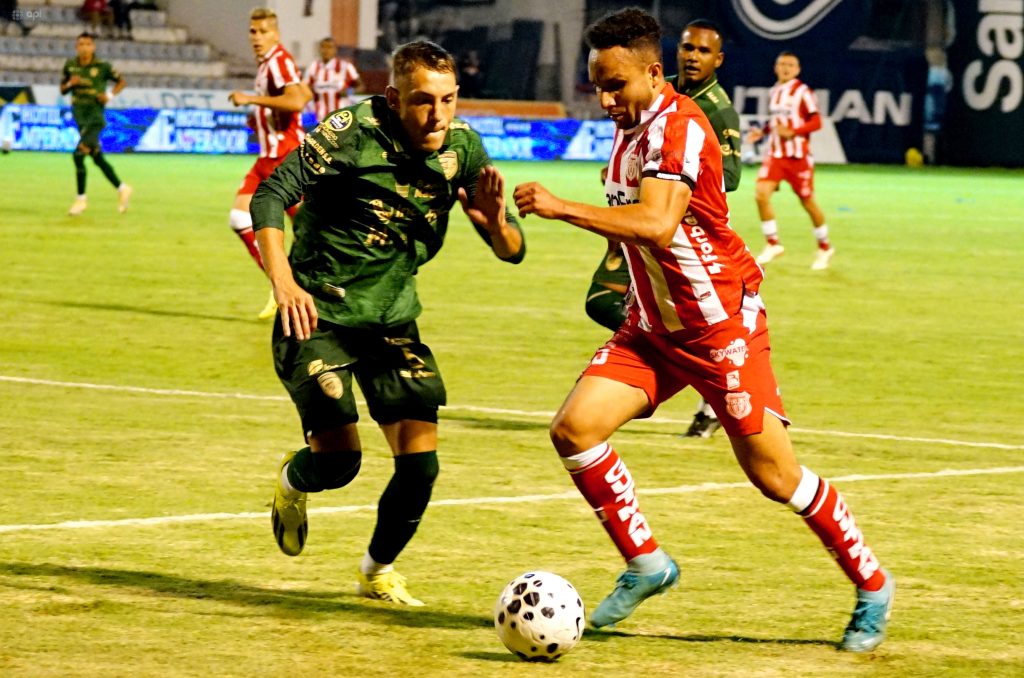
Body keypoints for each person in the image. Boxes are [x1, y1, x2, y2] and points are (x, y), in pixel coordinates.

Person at [512, 8, 893, 652]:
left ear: (652, 73)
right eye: (597, 86)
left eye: (616, 86)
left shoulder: (681, 127)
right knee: (574, 430)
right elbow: (648, 234)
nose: (605, 99)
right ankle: (647, 564)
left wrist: (559, 207)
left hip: (719, 330)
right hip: (653, 331)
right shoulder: (630, 129)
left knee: (775, 478)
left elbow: (659, 223)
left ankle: (872, 585)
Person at [250, 40, 525, 606]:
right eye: (425, 101)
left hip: (393, 318)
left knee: (421, 467)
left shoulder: (464, 150)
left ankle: (376, 571)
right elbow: (271, 194)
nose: (439, 115)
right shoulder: (350, 130)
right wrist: (282, 282)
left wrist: (498, 224)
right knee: (340, 463)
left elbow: (513, 250)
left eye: (449, 100)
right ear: (394, 97)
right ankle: (291, 483)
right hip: (317, 312)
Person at [585, 18, 742, 439]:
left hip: (679, 235)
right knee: (600, 302)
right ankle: (691, 360)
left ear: (718, 59)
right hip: (637, 229)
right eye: (687, 48)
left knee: (771, 472)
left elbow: (727, 176)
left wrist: (664, 180)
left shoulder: (713, 110)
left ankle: (704, 369)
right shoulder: (646, 93)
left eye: (703, 51)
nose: (692, 57)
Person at [227, 8, 312, 319]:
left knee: (308, 228)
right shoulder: (268, 64)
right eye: (253, 32)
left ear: (275, 34)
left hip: (284, 157)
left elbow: (296, 101)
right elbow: (303, 92)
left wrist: (251, 100)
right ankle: (282, 284)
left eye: (263, 32)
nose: (257, 38)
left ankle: (298, 289)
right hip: (268, 158)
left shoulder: (278, 60)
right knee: (239, 218)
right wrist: (261, 117)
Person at [748, 51, 835, 270]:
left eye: (791, 65)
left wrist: (794, 131)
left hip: (798, 158)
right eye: (782, 64)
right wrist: (764, 132)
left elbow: (816, 122)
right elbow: (777, 122)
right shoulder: (774, 91)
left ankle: (825, 247)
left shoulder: (803, 92)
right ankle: (773, 243)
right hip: (776, 155)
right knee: (761, 194)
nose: (786, 68)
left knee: (808, 202)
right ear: (776, 67)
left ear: (797, 70)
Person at [61, 32, 132, 216]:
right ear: (76, 47)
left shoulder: (102, 67)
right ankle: (122, 188)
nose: (84, 47)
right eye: (81, 44)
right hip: (79, 115)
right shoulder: (70, 66)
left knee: (78, 155)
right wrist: (70, 83)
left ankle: (81, 200)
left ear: (93, 47)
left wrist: (108, 95)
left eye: (88, 44)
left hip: (95, 118)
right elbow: (62, 89)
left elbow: (122, 81)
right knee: (96, 158)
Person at [304, 36, 362, 122]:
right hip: (320, 118)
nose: (326, 50)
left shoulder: (345, 67)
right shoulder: (313, 67)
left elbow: (360, 86)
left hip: (341, 118)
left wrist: (349, 91)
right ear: (319, 49)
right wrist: (310, 92)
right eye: (323, 47)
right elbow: (305, 87)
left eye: (329, 47)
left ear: (335, 50)